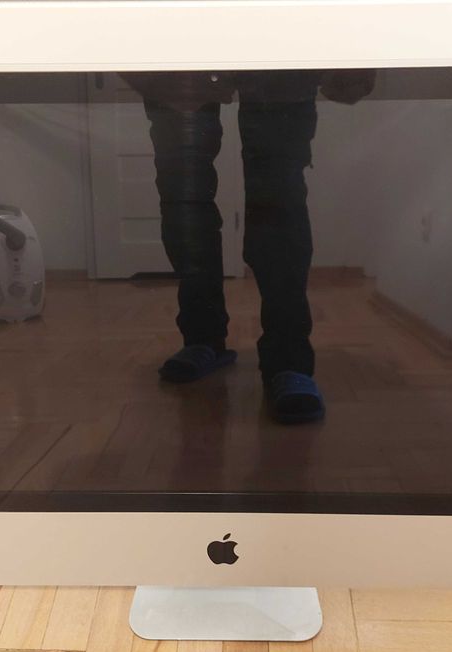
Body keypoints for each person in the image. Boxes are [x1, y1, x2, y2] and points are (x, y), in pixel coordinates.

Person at [126, 70, 374, 424]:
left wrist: (353, 66)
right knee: (184, 198)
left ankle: (286, 358)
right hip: (182, 54)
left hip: (280, 54)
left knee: (277, 197)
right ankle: (207, 338)